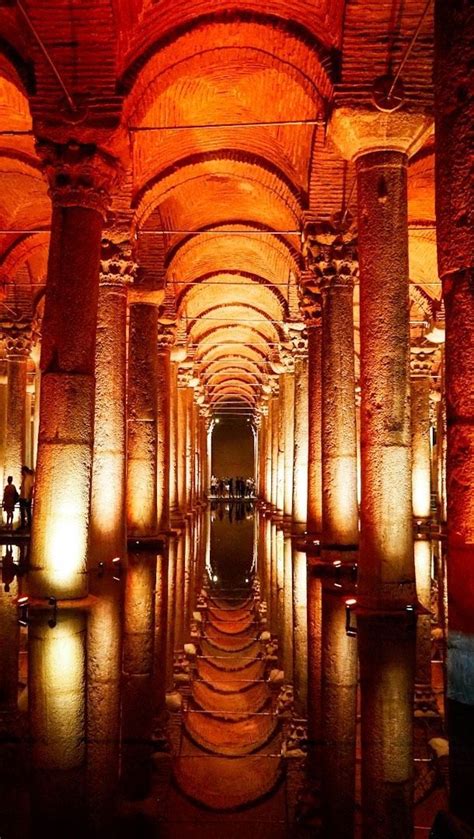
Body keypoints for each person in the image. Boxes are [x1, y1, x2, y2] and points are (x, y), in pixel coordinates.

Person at [19, 466, 34, 530]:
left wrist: (29, 497)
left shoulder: (29, 477)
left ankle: (29, 524)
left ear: (24, 471)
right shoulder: (24, 478)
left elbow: (31, 488)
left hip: (27, 497)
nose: (21, 472)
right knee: (22, 511)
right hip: (22, 497)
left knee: (28, 511)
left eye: (22, 471)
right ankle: (22, 525)